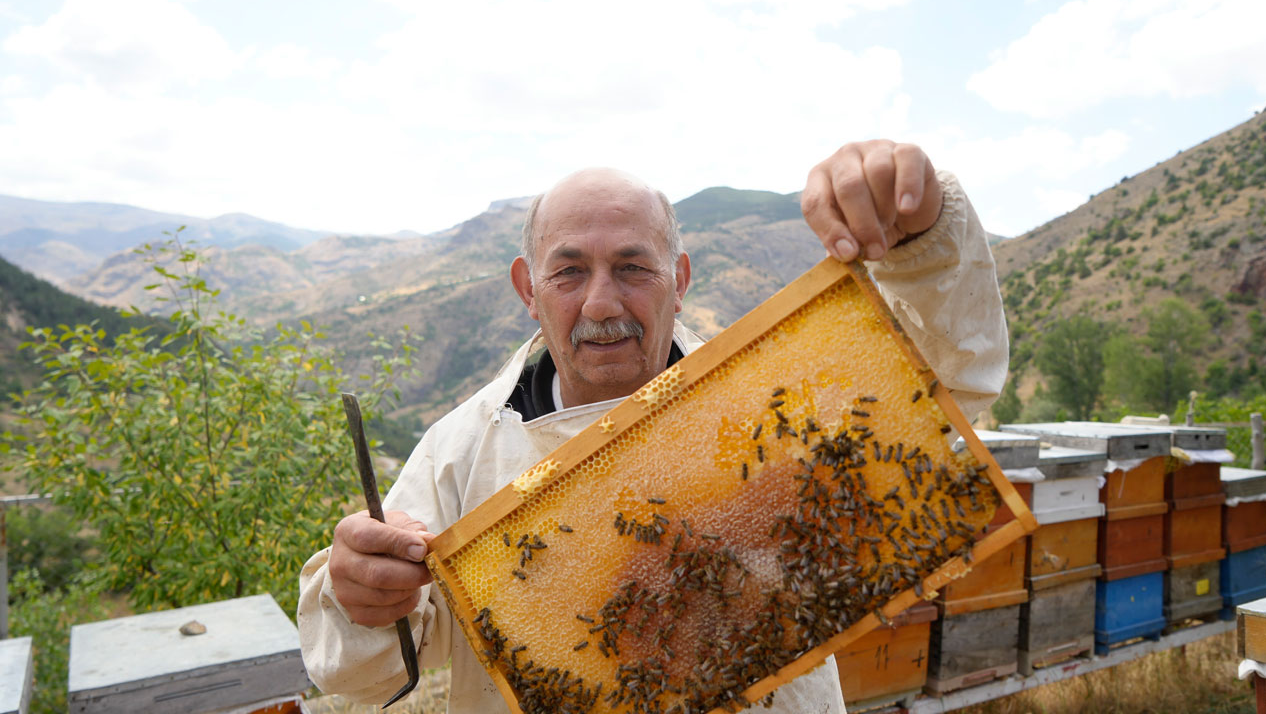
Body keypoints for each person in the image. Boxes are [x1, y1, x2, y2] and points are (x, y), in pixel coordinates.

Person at [297, 140, 1009, 712]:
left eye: (633, 267)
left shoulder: (773, 403)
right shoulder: (459, 454)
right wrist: (357, 593)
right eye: (568, 272)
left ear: (681, 279)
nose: (602, 303)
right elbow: (363, 673)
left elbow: (946, 375)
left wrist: (921, 235)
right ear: (527, 290)